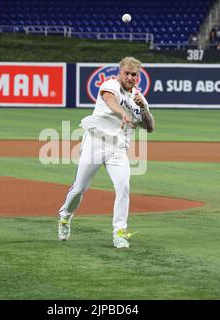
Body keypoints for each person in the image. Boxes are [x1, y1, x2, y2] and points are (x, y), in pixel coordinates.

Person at [58, 57, 155, 249]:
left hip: (118, 149)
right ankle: (64, 217)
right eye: (126, 73)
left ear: (138, 77)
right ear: (120, 73)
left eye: (133, 74)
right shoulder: (111, 85)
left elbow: (150, 127)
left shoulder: (139, 99)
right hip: (95, 142)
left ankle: (119, 233)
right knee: (79, 188)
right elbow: (109, 100)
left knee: (123, 187)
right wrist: (122, 113)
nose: (129, 77)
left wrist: (143, 109)